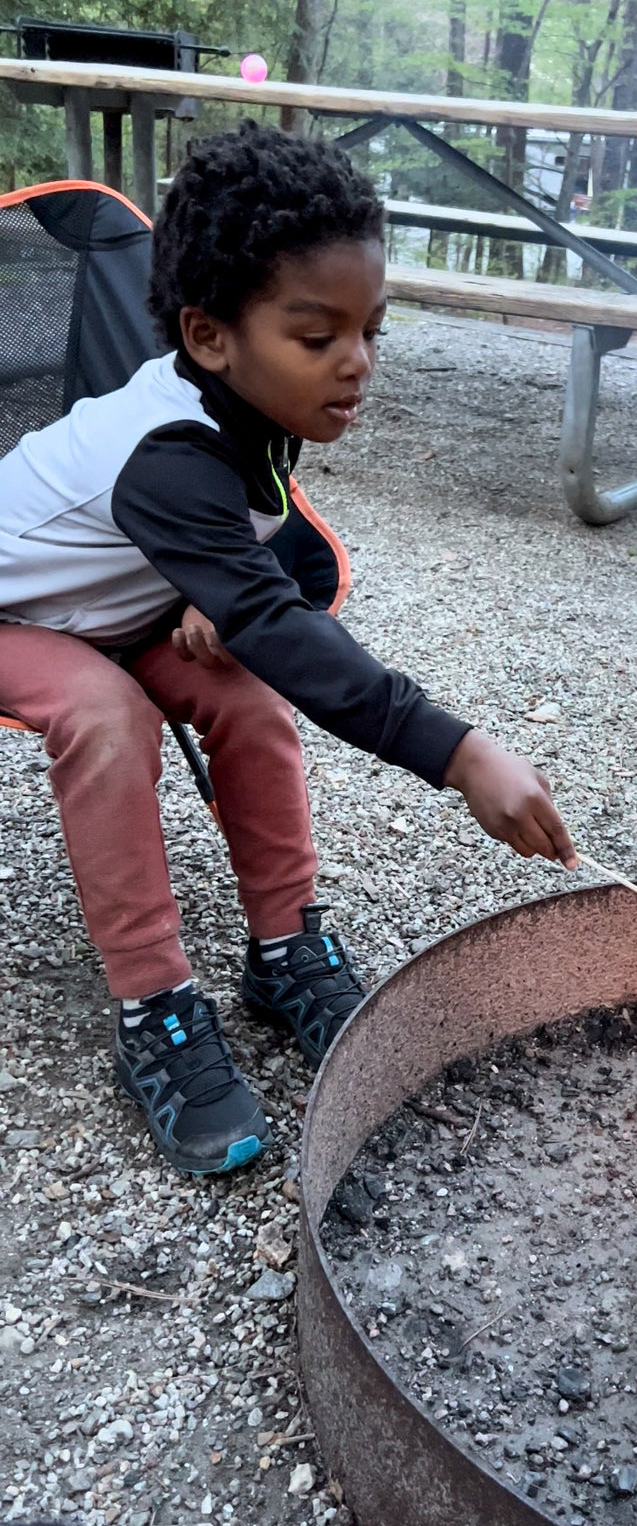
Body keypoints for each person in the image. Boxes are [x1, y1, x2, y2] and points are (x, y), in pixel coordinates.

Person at [0, 121, 577, 1177]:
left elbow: (289, 575)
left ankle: (284, 947)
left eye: (372, 330)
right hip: (14, 618)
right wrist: (457, 752)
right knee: (106, 713)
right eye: (319, 339)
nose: (356, 363)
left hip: (114, 612)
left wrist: (213, 595)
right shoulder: (169, 453)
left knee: (252, 695)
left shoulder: (248, 413)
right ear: (210, 335)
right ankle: (156, 1004)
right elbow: (278, 618)